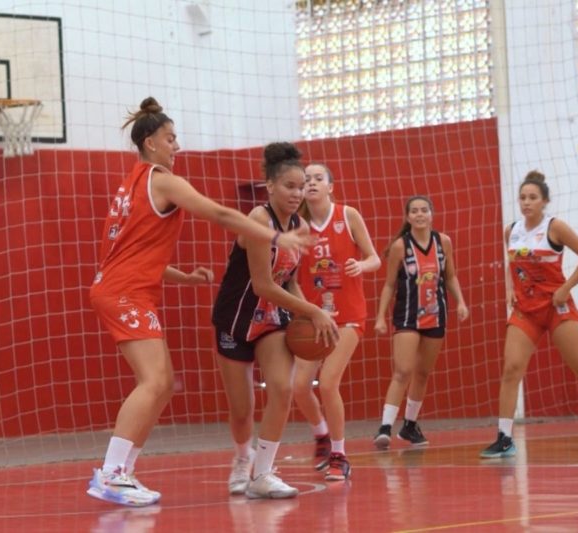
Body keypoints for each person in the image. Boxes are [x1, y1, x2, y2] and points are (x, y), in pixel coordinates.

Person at [87, 99, 316, 508]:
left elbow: (130, 252)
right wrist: (276, 237)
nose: (177, 145)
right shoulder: (162, 180)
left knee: (161, 383)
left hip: (121, 287)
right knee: (154, 381)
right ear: (150, 142)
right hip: (125, 293)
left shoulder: (132, 184)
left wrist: (183, 277)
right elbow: (220, 214)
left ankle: (122, 472)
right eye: (170, 138)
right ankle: (112, 473)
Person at [212, 143, 339, 499]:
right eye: (289, 186)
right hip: (236, 319)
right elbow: (263, 284)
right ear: (270, 186)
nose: (297, 193)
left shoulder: (299, 224)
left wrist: (310, 311)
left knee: (282, 388)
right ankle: (243, 459)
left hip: (271, 318)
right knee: (242, 410)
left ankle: (263, 474)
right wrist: (313, 312)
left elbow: (289, 280)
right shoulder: (258, 219)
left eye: (302, 187)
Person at [480, 171, 578, 458]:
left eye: (532, 197)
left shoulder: (555, 227)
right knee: (511, 369)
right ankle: (504, 438)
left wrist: (565, 288)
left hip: (557, 307)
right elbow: (512, 263)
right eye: (522, 197)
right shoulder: (511, 230)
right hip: (526, 311)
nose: (526, 202)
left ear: (544, 201)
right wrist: (509, 287)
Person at [292, 163, 380, 480]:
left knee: (328, 382)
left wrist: (361, 266)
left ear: (330, 186)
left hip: (349, 316)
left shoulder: (347, 215)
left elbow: (375, 258)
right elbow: (292, 276)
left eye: (318, 178)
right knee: (299, 386)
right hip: (316, 318)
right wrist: (304, 310)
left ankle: (339, 456)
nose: (312, 182)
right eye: (306, 179)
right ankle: (321, 435)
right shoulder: (297, 226)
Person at [372, 196, 468, 450]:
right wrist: (380, 316)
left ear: (431, 214)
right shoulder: (400, 246)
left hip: (436, 314)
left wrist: (461, 302)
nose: (419, 214)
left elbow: (451, 277)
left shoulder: (443, 242)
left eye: (424, 210)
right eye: (414, 211)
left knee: (423, 373)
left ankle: (410, 425)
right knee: (403, 370)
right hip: (407, 315)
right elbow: (389, 284)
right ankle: (385, 427)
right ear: (408, 217)